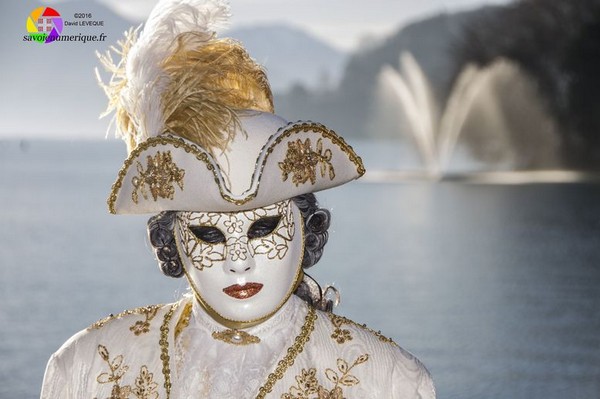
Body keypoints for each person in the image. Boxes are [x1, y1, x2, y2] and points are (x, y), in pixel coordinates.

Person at [41, 0, 435, 397]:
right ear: (170, 240)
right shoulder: (88, 366)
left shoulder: (386, 380)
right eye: (208, 233)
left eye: (264, 227)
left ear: (309, 231)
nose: (239, 260)